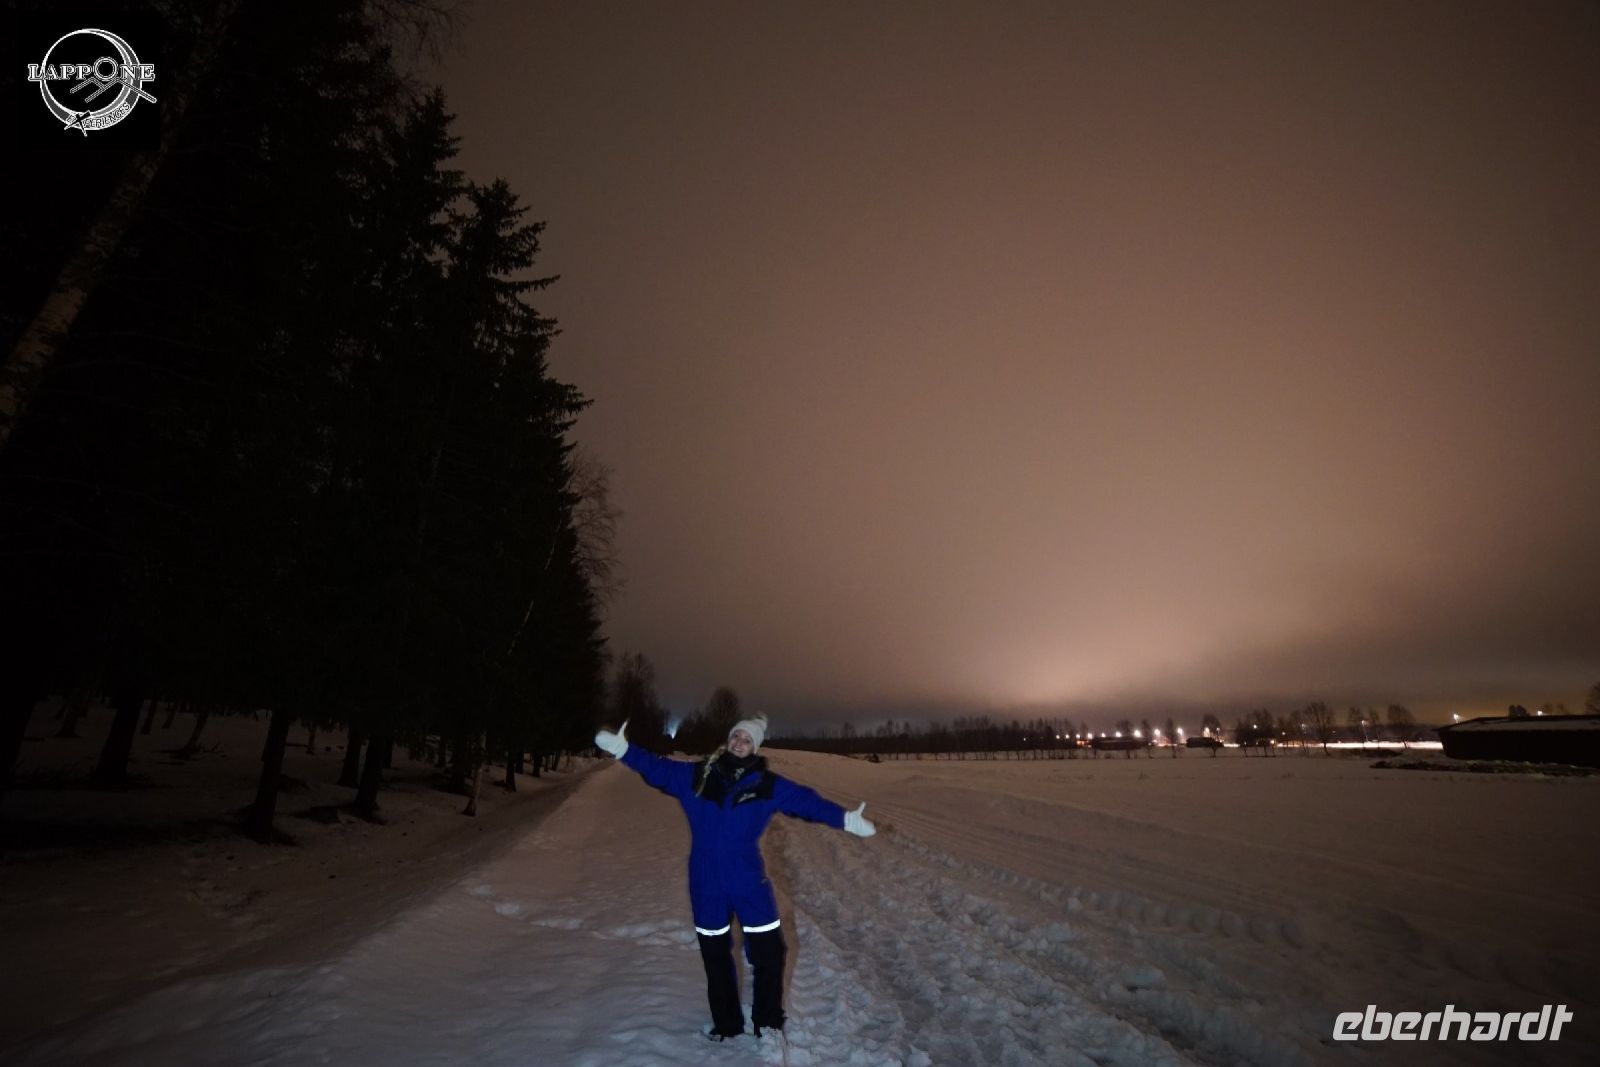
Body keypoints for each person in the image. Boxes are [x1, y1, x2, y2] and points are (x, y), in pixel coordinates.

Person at [593, 713, 876, 1042]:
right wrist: (624, 750)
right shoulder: (697, 776)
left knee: (770, 952)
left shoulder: (767, 785)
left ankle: (767, 1021)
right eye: (736, 736)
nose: (739, 742)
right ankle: (726, 1024)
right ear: (729, 739)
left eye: (747, 739)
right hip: (705, 882)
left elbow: (806, 802)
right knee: (715, 957)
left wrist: (845, 820)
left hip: (748, 882)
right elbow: (658, 769)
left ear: (755, 746)